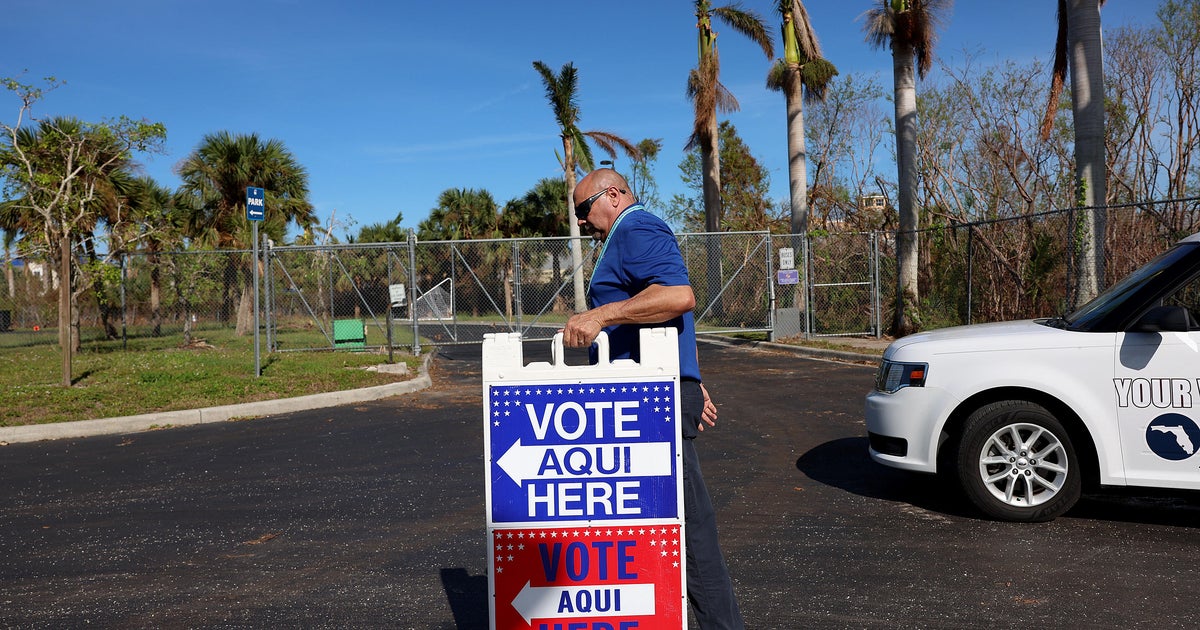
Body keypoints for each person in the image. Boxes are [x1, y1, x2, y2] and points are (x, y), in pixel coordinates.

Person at [561, 168, 744, 629]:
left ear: (615, 195)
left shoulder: (636, 227)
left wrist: (601, 314)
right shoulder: (623, 235)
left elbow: (679, 296)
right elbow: (673, 318)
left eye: (584, 210)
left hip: (653, 402)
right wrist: (692, 376)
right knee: (656, 527)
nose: (581, 222)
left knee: (691, 532)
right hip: (653, 394)